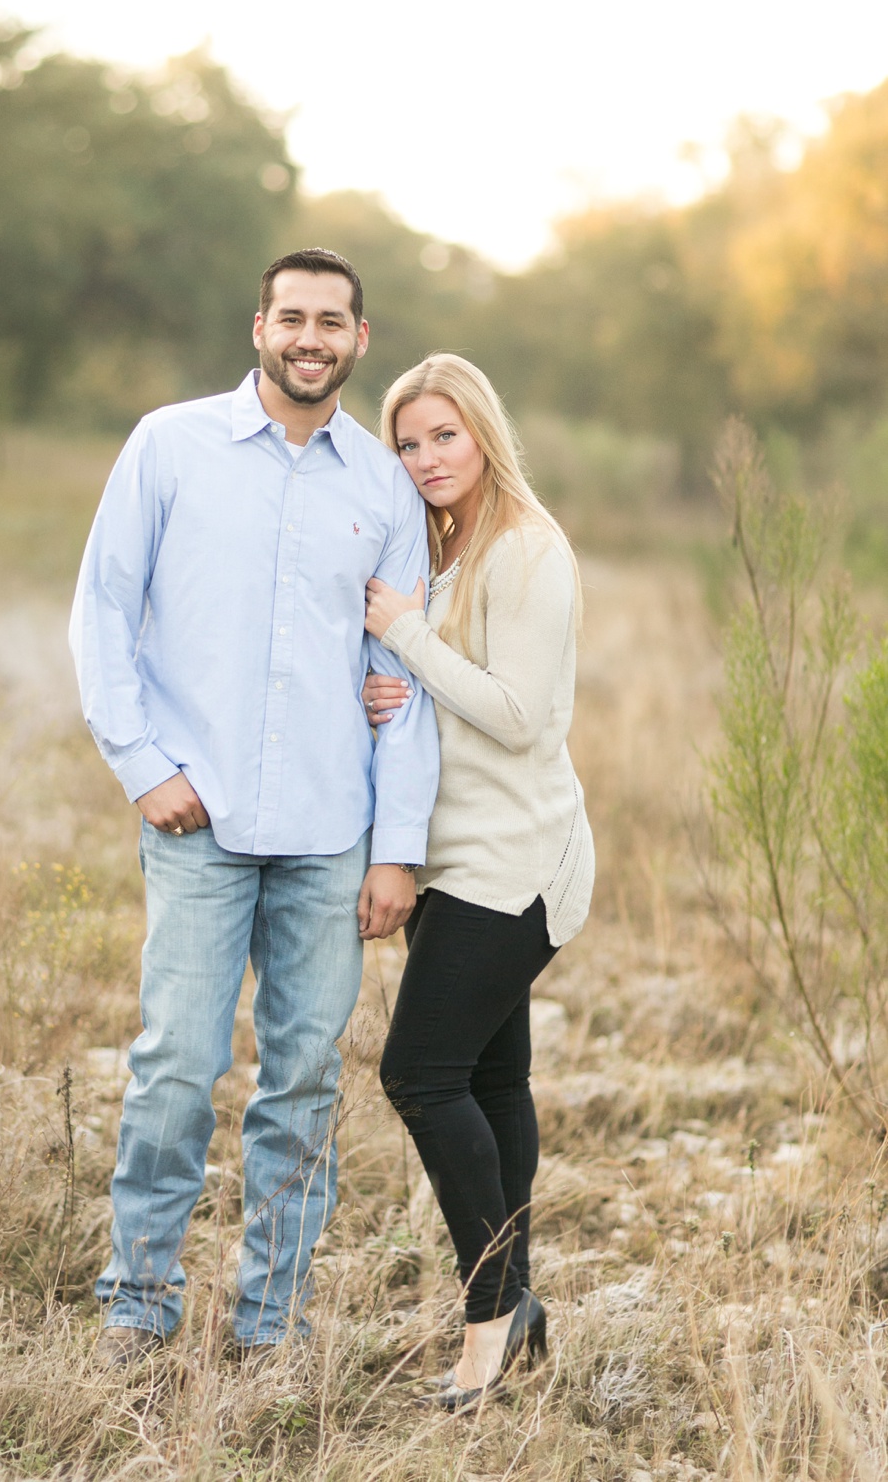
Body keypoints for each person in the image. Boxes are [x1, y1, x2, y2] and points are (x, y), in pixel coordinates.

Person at [70, 249, 439, 1365]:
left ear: (358, 340)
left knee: (304, 1080)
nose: (309, 337)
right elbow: (100, 612)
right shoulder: (168, 445)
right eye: (292, 317)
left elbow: (403, 682)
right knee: (176, 1065)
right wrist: (143, 764)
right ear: (258, 328)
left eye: (331, 320)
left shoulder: (384, 486)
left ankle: (271, 1318)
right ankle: (138, 1298)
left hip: (333, 835)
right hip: (199, 823)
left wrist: (398, 850)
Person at [361, 353, 594, 1411]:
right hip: (457, 857)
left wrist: (401, 636)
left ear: (482, 433)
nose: (422, 459)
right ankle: (521, 1301)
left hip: (514, 862)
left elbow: (514, 710)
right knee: (492, 1084)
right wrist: (393, 690)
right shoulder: (448, 553)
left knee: (418, 1074)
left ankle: (488, 1311)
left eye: (440, 436)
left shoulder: (527, 549)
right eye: (406, 443)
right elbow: (447, 693)